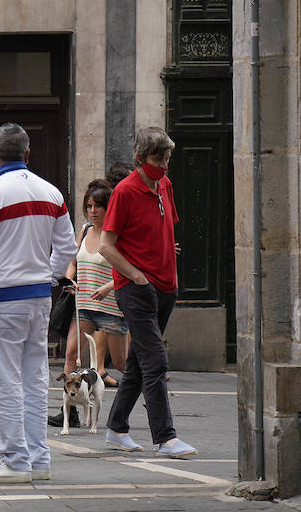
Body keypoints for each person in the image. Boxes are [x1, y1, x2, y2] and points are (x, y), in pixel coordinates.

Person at [0, 123, 78, 482]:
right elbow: (66, 248)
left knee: (5, 382)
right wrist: (50, 277)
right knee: (34, 378)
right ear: (28, 153)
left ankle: (15, 459)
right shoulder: (52, 193)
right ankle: (38, 459)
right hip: (38, 297)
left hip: (0, 298)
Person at [100, 128, 197, 458]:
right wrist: (136, 276)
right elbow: (106, 246)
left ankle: (116, 428)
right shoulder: (125, 192)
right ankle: (165, 438)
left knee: (140, 362)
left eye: (168, 158)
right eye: (159, 159)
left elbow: (164, 231)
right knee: (155, 359)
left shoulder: (165, 186)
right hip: (137, 290)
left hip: (166, 287)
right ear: (140, 159)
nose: (165, 165)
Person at [48, 178, 129, 428]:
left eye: (98, 206)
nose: (92, 211)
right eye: (89, 206)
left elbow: (129, 269)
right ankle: (69, 412)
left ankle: (144, 399)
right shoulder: (84, 231)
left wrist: (107, 287)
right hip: (82, 305)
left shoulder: (118, 235)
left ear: (108, 208)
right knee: (71, 353)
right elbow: (73, 261)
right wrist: (69, 280)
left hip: (110, 307)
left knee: (122, 363)